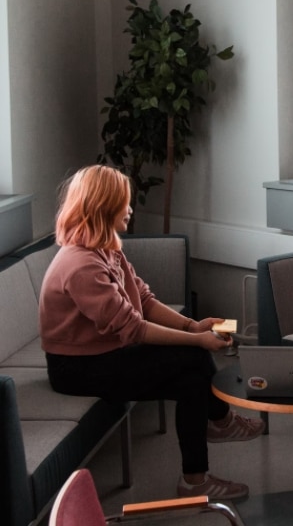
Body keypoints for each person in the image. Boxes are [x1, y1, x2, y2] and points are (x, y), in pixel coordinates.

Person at [39, 165, 264, 500]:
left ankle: (195, 478)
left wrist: (192, 326)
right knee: (193, 355)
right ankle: (220, 421)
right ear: (104, 207)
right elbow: (133, 329)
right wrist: (197, 340)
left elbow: (142, 299)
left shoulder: (106, 249)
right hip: (76, 369)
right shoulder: (80, 264)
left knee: (191, 380)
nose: (130, 209)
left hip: (102, 354)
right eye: (123, 203)